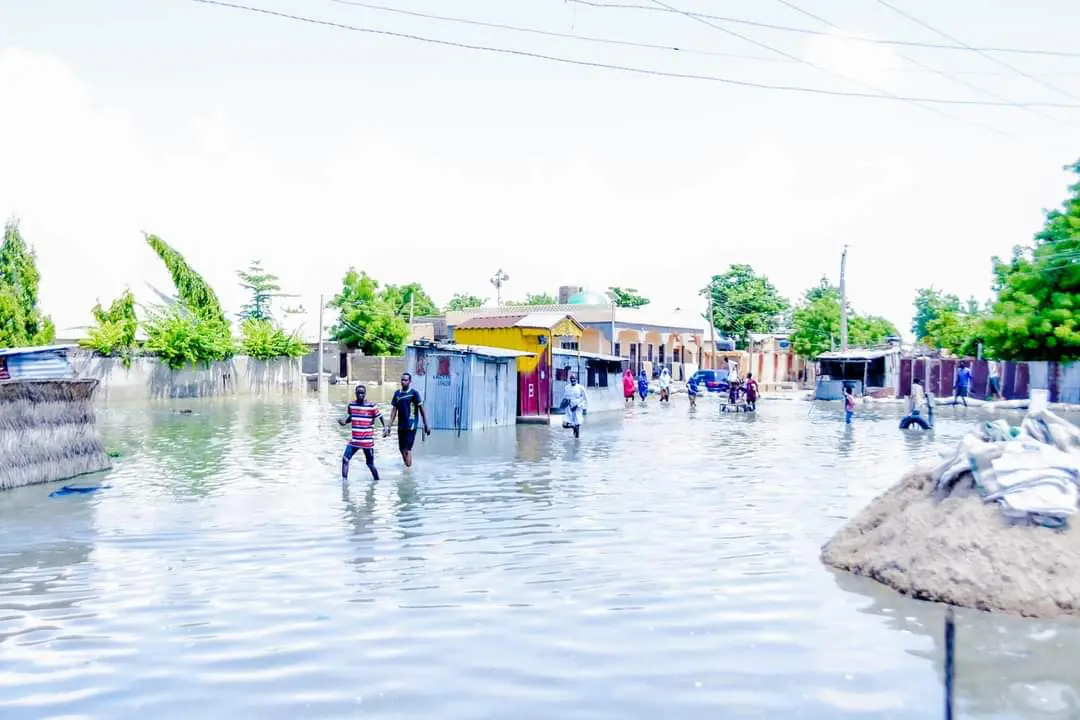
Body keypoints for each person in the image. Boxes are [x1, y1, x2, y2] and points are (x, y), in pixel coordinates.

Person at [338, 384, 386, 481]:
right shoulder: (351, 405)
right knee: (345, 459)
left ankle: (377, 481)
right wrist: (344, 422)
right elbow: (352, 416)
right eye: (358, 393)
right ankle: (344, 484)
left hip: (367, 442)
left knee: (370, 464)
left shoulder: (371, 406)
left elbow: (380, 416)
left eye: (362, 393)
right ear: (355, 394)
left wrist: (385, 427)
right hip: (355, 441)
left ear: (365, 394)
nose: (360, 395)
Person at [384, 372, 430, 467]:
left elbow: (422, 409)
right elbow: (394, 411)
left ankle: (409, 472)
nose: (403, 382)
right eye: (402, 380)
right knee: (401, 449)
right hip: (401, 425)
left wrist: (426, 425)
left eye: (405, 380)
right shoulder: (397, 394)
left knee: (407, 449)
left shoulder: (414, 393)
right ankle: (408, 466)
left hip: (411, 425)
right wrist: (389, 426)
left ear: (410, 382)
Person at [562, 373, 588, 438]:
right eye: (571, 378)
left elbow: (585, 399)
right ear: (570, 379)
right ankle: (573, 427)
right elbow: (565, 397)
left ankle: (577, 442)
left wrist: (577, 406)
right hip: (569, 409)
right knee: (564, 425)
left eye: (574, 378)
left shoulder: (580, 388)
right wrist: (563, 404)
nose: (572, 380)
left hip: (577, 409)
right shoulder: (567, 387)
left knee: (577, 426)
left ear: (576, 379)